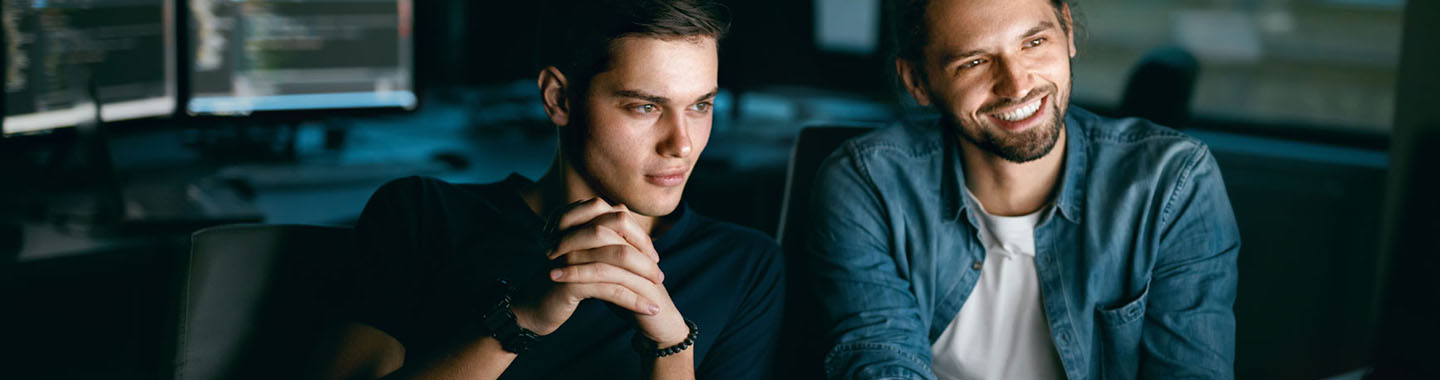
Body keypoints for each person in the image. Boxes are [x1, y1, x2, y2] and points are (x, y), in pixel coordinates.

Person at [321, 1, 784, 379]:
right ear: (559, 98)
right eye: (645, 107)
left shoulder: (744, 265)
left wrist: (671, 344)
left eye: (700, 106)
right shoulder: (422, 215)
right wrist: (521, 319)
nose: (681, 144)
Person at [806, 0, 1240, 378]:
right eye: (974, 62)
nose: (1017, 84)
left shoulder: (1173, 182)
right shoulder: (868, 183)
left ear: (1067, 31)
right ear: (917, 81)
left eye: (1033, 43)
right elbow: (880, 359)